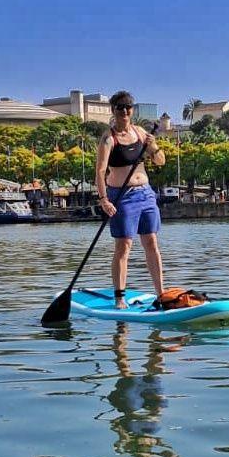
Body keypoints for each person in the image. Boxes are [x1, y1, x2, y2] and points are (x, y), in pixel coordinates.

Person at [96, 91, 167, 309]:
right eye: (120, 107)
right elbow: (100, 172)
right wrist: (104, 199)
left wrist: (153, 146)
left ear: (132, 110)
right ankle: (119, 298)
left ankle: (161, 294)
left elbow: (160, 162)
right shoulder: (109, 138)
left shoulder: (141, 133)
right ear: (113, 111)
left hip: (145, 193)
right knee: (124, 245)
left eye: (128, 107)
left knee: (151, 242)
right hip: (121, 196)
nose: (125, 111)